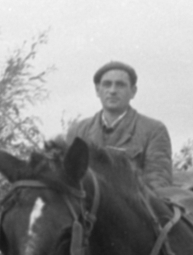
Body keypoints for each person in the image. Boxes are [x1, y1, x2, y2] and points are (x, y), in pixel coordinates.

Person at [66, 61, 175, 192]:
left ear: (133, 91)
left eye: (120, 85)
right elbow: (67, 180)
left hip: (135, 209)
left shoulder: (154, 130)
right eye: (107, 84)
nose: (112, 91)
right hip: (86, 209)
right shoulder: (78, 131)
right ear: (97, 90)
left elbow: (158, 185)